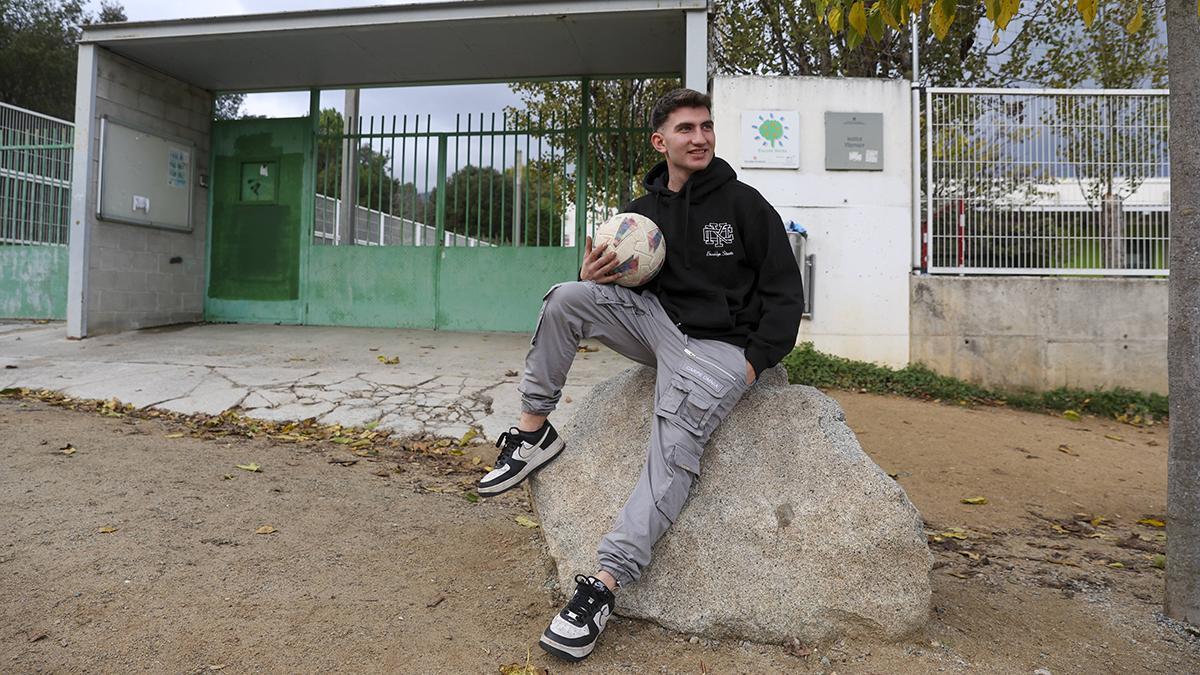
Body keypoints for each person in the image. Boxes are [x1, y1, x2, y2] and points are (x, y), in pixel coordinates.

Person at [477, 88, 805, 662]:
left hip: (715, 349)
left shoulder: (746, 206)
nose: (699, 137)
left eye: (706, 127)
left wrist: (752, 364)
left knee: (672, 454)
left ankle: (601, 587)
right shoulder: (641, 213)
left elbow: (784, 296)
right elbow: (624, 287)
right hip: (657, 324)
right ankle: (533, 431)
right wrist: (592, 275)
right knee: (567, 298)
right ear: (661, 141)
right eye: (685, 129)